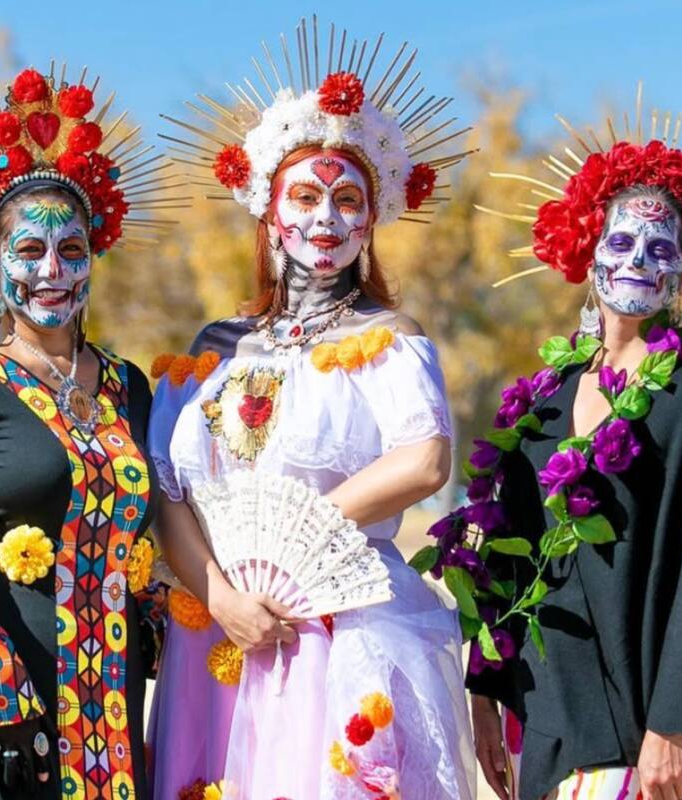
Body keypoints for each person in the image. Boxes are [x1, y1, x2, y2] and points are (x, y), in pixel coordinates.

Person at [146, 20, 478, 799]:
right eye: (305, 196)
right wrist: (224, 598)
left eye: (347, 200)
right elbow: (169, 490)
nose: (326, 218)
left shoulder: (388, 338)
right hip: (216, 636)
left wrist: (304, 545)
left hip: (328, 628)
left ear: (370, 222)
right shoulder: (215, 349)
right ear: (269, 214)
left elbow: (426, 459)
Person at [438, 91, 682, 800]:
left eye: (660, 249)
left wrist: (674, 724)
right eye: (621, 243)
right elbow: (508, 556)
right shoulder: (541, 405)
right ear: (589, 251)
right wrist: (485, 695)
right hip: (545, 722)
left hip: (644, 733)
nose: (637, 262)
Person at [0, 65, 177, 799]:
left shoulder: (128, 387)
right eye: (28, 251)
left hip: (109, 698)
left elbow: (145, 536)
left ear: (93, 260)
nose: (53, 269)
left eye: (72, 251)